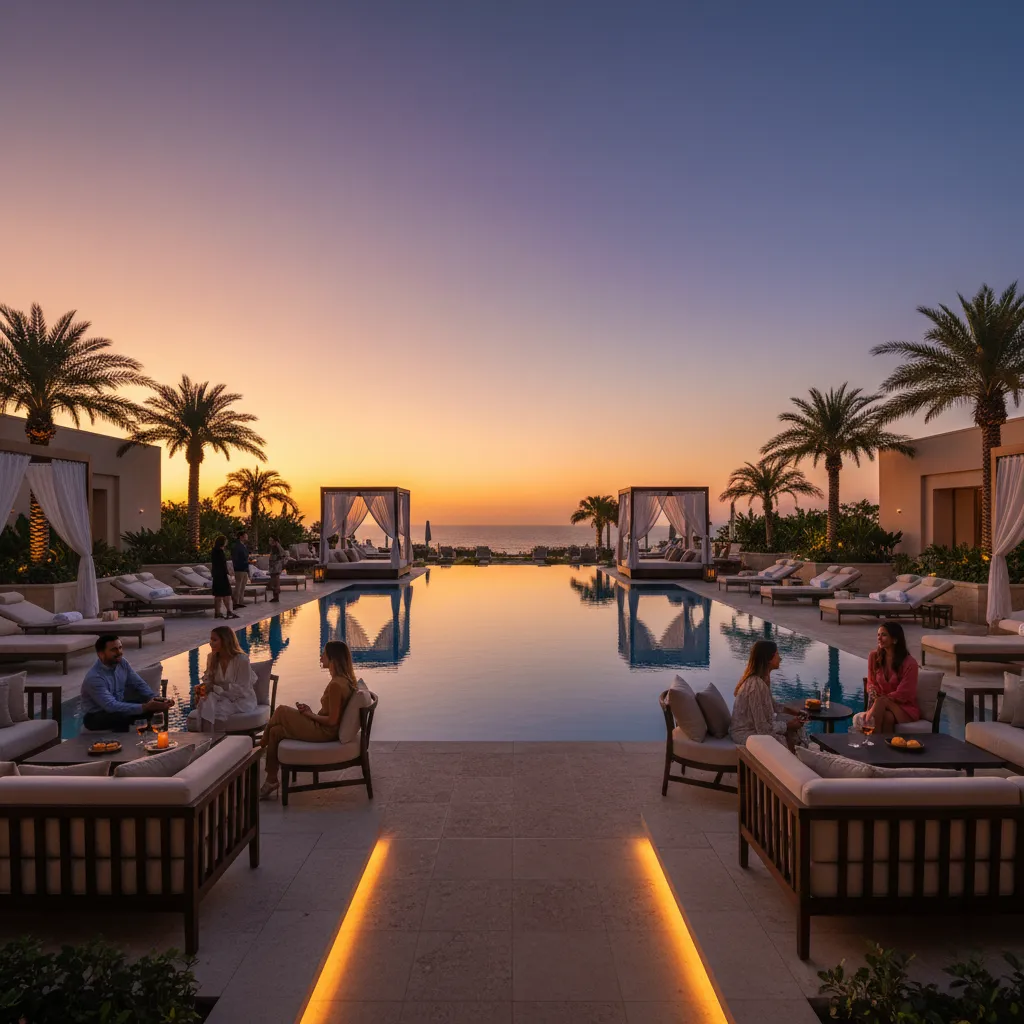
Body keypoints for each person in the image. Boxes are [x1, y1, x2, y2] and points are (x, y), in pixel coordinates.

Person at [258, 640, 360, 800]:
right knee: (276, 732)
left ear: (333, 659)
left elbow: (332, 721)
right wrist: (310, 713)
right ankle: (271, 780)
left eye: (324, 654)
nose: (320, 657)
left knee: (281, 711)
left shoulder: (336, 685)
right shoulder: (345, 681)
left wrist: (310, 715)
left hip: (324, 732)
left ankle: (259, 747)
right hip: (323, 728)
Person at [80, 634, 174, 732]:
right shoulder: (95, 677)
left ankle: (148, 739)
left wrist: (155, 699)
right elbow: (111, 706)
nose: (119, 652)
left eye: (120, 648)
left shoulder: (122, 663)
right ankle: (122, 744)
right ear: (101, 654)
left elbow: (139, 684)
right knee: (121, 716)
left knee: (151, 708)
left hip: (119, 705)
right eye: (114, 650)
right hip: (96, 716)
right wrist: (145, 707)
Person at [729, 639, 807, 752]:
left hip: (753, 731)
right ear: (769, 659)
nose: (780, 658)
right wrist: (788, 726)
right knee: (788, 738)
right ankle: (794, 763)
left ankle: (799, 759)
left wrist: (797, 712)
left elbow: (774, 705)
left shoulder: (761, 680)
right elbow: (763, 729)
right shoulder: (755, 686)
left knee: (793, 730)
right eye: (777, 654)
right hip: (746, 735)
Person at [187, 626, 258, 732]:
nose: (211, 643)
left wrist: (215, 688)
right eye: (210, 639)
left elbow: (242, 689)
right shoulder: (211, 657)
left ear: (225, 641)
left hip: (241, 700)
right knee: (205, 703)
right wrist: (203, 689)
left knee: (217, 709)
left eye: (214, 640)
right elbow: (208, 680)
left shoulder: (241, 660)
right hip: (219, 696)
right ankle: (204, 740)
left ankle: (216, 739)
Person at [861, 621, 920, 733]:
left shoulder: (910, 663)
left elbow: (904, 693)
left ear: (895, 639)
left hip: (903, 708)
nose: (879, 638)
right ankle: (882, 748)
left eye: (884, 635)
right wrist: (872, 689)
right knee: (888, 717)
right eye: (878, 635)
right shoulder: (873, 657)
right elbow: (871, 682)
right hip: (882, 706)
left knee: (880, 702)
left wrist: (883, 699)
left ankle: (869, 740)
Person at [210, 535, 238, 619]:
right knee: (227, 593)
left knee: (218, 594)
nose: (227, 542)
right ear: (222, 542)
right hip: (221, 575)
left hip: (216, 575)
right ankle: (229, 611)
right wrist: (228, 573)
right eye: (226, 541)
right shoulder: (219, 552)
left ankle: (217, 612)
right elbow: (222, 565)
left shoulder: (214, 551)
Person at [231, 531, 250, 608]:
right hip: (239, 569)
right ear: (241, 537)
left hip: (244, 568)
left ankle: (240, 602)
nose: (247, 537)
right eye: (245, 536)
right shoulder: (237, 546)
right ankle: (235, 602)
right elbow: (235, 558)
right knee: (238, 586)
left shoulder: (243, 546)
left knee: (242, 587)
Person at [268, 534, 285, 603]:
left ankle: (276, 597)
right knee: (274, 582)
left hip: (275, 568)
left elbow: (283, 554)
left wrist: (277, 561)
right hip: (273, 568)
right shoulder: (273, 547)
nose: (269, 541)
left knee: (275, 582)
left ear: (274, 541)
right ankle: (275, 597)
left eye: (270, 540)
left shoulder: (277, 547)